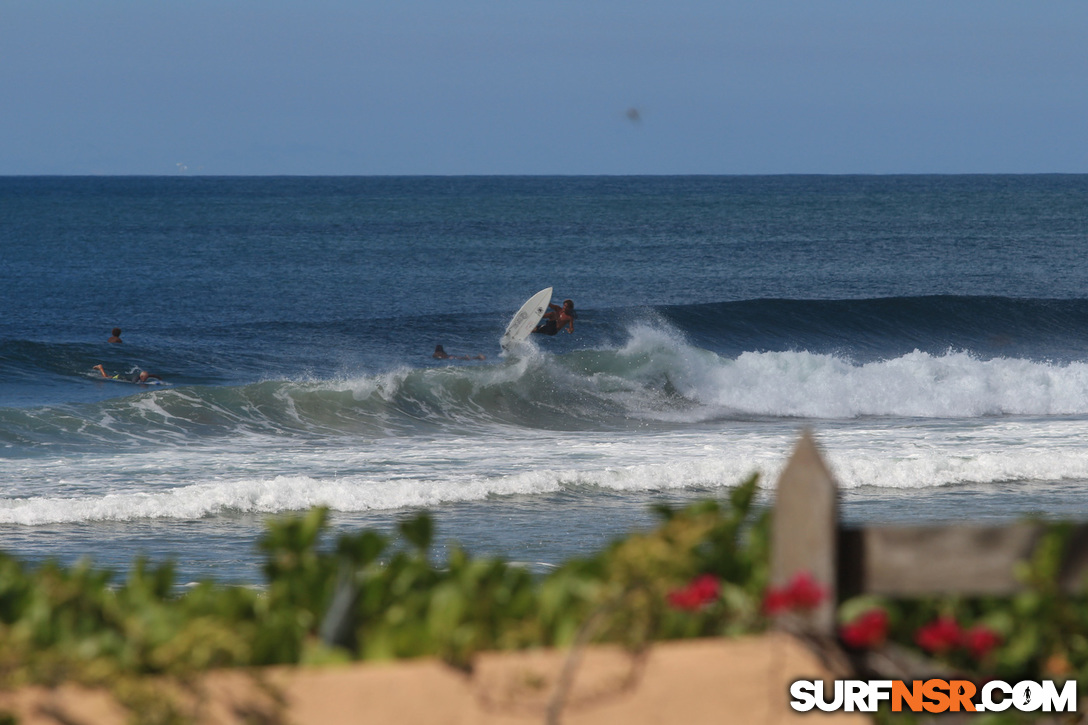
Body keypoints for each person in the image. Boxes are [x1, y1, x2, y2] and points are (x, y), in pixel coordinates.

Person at [93, 364, 162, 383]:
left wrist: (158, 377)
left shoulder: (143, 375)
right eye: (145, 378)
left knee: (109, 376)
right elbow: (134, 383)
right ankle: (100, 367)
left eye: (146, 378)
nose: (146, 379)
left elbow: (151, 375)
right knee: (106, 377)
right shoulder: (136, 378)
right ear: (141, 377)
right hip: (119, 377)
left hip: (123, 376)